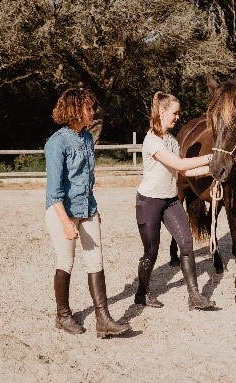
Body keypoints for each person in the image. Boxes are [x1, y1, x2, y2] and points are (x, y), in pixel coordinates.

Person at [45, 87, 131, 338]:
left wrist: (94, 208)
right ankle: (62, 315)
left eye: (92, 107)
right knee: (66, 262)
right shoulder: (56, 142)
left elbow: (87, 178)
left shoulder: (86, 138)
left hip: (88, 209)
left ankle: (103, 319)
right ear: (74, 110)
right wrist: (65, 221)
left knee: (96, 261)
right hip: (63, 210)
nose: (93, 111)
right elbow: (53, 190)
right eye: (88, 107)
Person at [134, 91, 216, 311]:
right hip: (149, 202)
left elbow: (184, 173)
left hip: (170, 201)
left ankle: (195, 296)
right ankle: (142, 293)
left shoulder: (171, 140)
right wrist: (211, 157)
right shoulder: (152, 140)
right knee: (151, 251)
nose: (178, 117)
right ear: (162, 112)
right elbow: (180, 165)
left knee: (186, 243)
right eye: (175, 113)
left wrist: (212, 169)